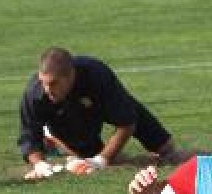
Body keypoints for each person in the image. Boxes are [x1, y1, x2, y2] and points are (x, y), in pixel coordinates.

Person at [18, 47, 193, 181]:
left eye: (53, 83)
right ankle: (54, 140)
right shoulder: (35, 94)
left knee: (168, 149)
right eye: (43, 82)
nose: (47, 89)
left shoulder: (96, 74)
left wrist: (101, 160)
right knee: (89, 162)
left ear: (70, 75)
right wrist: (39, 164)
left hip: (104, 104)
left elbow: (127, 122)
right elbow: (28, 138)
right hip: (64, 119)